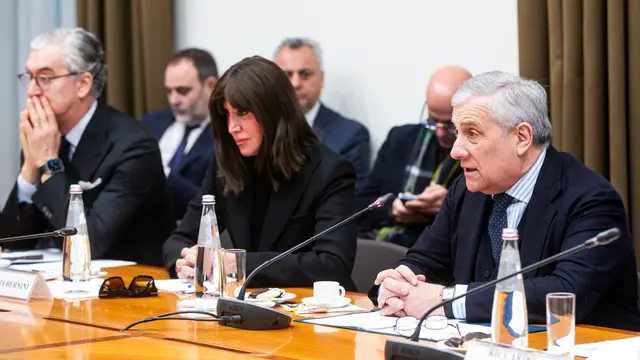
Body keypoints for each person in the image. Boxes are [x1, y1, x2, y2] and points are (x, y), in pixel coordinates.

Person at [370, 71, 640, 331]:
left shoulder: (591, 199)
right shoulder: (466, 189)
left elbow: (564, 293)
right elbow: (424, 259)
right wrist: (396, 283)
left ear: (522, 138)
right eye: (457, 132)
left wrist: (445, 300)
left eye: (472, 134)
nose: (455, 151)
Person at [162, 56, 358, 290]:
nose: (232, 127)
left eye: (242, 113)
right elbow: (178, 239)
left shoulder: (330, 171)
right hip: (246, 306)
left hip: (314, 313)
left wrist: (234, 264)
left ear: (273, 112)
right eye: (227, 115)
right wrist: (186, 261)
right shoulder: (225, 164)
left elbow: (332, 265)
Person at [0, 28, 175, 266]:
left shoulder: (133, 146)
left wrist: (48, 163)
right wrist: (30, 171)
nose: (32, 91)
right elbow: (10, 243)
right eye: (30, 77)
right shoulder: (44, 138)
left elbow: (88, 242)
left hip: (125, 289)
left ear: (83, 84)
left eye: (45, 78)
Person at [356, 66, 470, 247]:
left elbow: (490, 220)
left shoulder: (481, 153)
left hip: (445, 253)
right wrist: (391, 209)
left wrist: (449, 206)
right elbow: (361, 204)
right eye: (433, 121)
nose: (440, 132)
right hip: (388, 243)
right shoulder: (400, 139)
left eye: (450, 125)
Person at [274, 37, 371, 192]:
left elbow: (354, 202)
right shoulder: (259, 129)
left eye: (305, 74)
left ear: (322, 79)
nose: (295, 83)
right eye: (287, 75)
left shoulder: (351, 135)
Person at [142, 48, 217, 219]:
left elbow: (210, 206)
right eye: (169, 91)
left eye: (183, 91)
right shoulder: (153, 122)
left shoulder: (225, 137)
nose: (173, 100)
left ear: (211, 86)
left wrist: (161, 172)